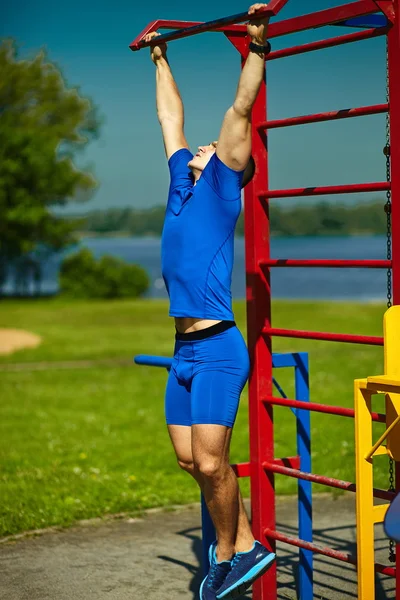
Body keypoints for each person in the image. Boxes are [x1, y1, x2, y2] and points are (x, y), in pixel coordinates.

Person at [144, 4, 275, 599]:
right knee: (189, 459)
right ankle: (245, 541)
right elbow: (170, 117)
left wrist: (257, 46)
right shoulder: (181, 184)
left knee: (213, 461)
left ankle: (229, 553)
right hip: (183, 349)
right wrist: (160, 53)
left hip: (218, 347)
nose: (197, 148)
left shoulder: (223, 185)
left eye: (208, 149)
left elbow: (239, 109)